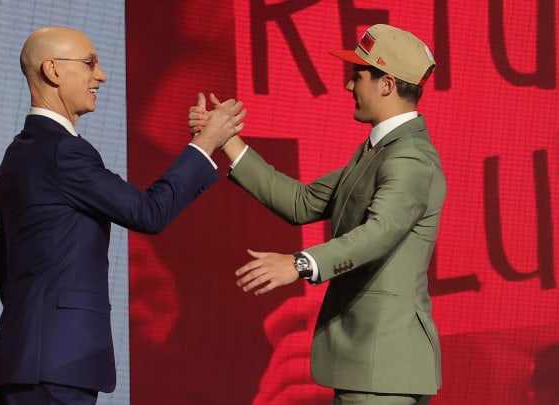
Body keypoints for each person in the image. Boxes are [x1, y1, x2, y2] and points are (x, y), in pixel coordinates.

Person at [0, 26, 245, 405]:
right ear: (53, 70)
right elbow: (148, 212)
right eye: (90, 63)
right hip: (58, 365)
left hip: (29, 360)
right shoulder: (64, 153)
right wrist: (206, 143)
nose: (101, 75)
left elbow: (6, 270)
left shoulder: (19, 154)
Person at [190, 24, 444, 404]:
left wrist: (300, 263)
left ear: (387, 84)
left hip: (381, 368)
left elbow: (379, 231)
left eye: (357, 76)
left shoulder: (408, 157)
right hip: (371, 365)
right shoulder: (380, 151)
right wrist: (226, 139)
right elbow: (302, 202)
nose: (348, 86)